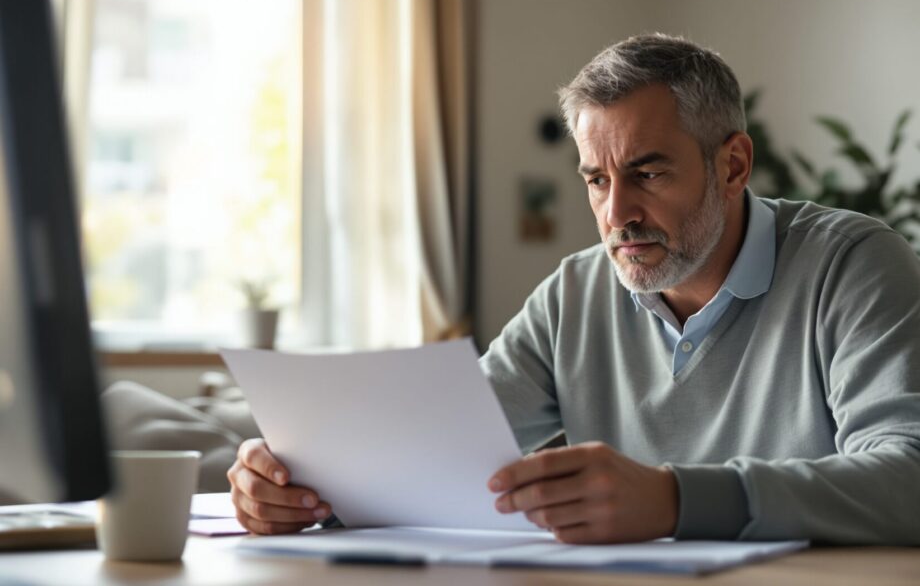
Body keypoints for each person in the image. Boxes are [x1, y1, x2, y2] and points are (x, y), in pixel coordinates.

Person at [227, 33, 920, 544]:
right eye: (596, 179)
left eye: (648, 173)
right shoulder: (575, 294)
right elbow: (438, 450)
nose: (617, 213)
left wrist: (676, 500)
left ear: (733, 165)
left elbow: (908, 475)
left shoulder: (853, 266)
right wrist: (302, 487)